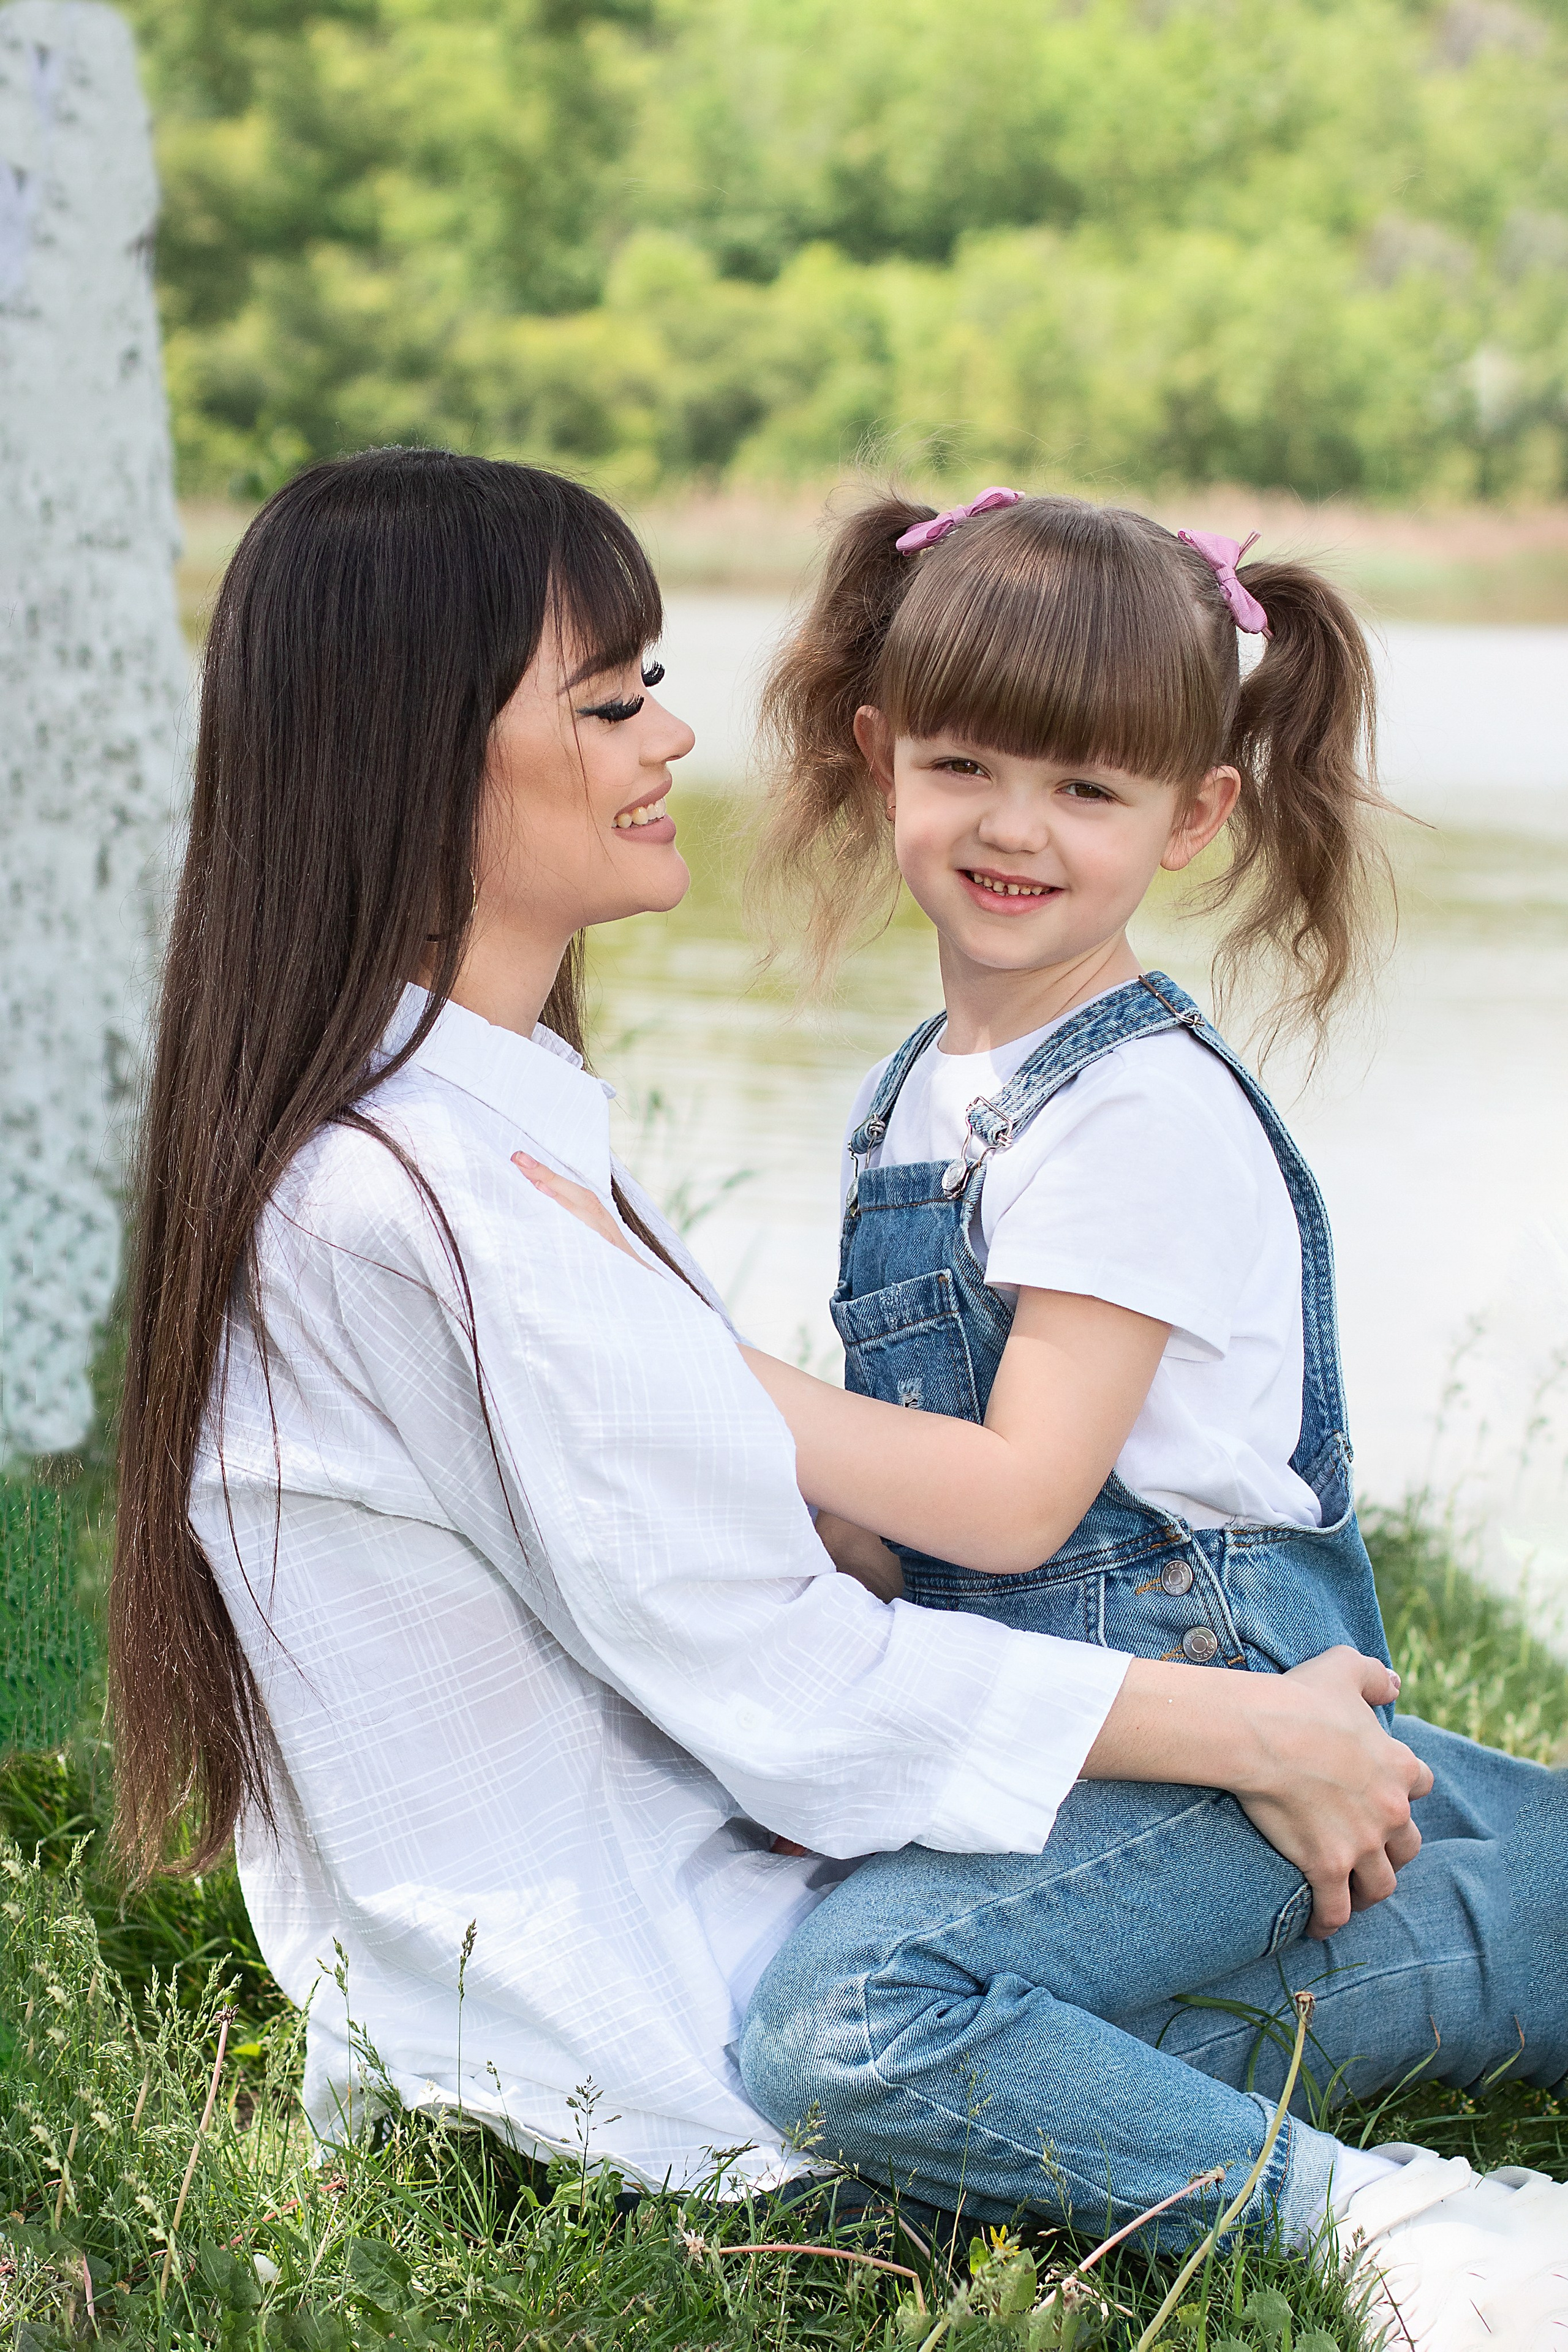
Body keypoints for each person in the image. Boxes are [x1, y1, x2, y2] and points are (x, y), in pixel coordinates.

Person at [105, 451, 1549, 2352]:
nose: (671, 737)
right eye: (612, 700)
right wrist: (1246, 1733)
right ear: (412, 750)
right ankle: (1407, 2218)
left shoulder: (481, 1133)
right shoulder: (424, 1200)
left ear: (1187, 818)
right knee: (982, 2031)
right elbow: (783, 1670)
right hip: (707, 1944)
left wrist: (1246, 1714)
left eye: (655, 686)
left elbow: (886, 1522)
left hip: (1016, 1712)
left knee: (1342, 1823)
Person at [520, 488, 1568, 2346]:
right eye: (968, 763)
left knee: (847, 2031)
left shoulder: (1130, 1114)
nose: (1015, 828)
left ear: (1195, 815)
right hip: (1070, 1719)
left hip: (1219, 1704)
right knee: (915, 2072)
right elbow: (914, 1506)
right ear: (877, 757)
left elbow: (1012, 1505)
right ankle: (1530, 1910)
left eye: (1087, 792)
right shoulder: (926, 1086)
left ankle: (1379, 2214)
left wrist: (675, 1361)